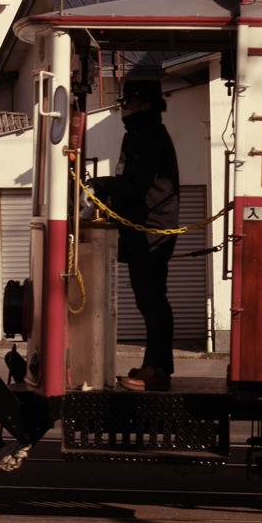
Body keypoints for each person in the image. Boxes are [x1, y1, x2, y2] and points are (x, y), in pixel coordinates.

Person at [88, 79, 179, 391]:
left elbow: (135, 187)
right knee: (147, 299)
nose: (123, 107)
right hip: (144, 228)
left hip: (151, 230)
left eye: (128, 102)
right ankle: (154, 364)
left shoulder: (149, 136)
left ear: (146, 105)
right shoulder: (139, 135)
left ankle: (158, 368)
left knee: (152, 299)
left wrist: (97, 185)